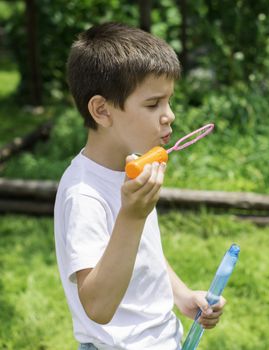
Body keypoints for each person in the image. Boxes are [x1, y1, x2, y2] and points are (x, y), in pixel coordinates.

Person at [54, 22, 225, 349]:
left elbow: (145, 253)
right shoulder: (84, 193)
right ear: (102, 110)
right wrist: (132, 217)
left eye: (169, 101)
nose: (170, 115)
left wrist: (182, 296)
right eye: (153, 104)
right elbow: (98, 307)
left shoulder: (131, 168)